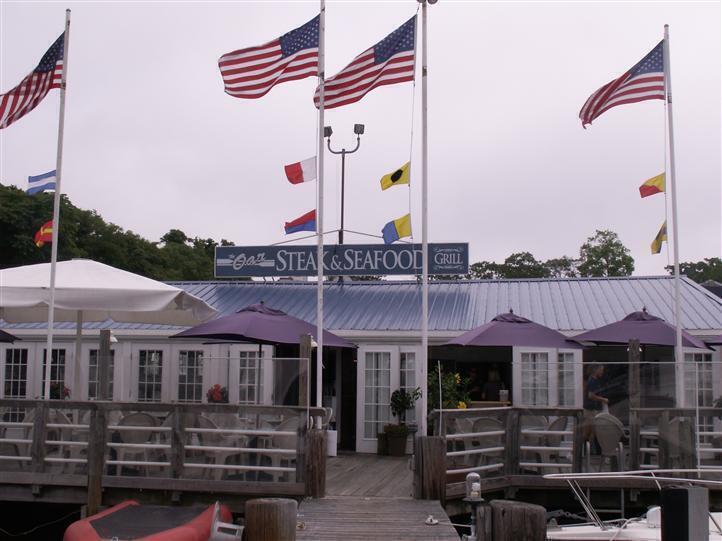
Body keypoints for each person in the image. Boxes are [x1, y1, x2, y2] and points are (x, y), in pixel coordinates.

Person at [583, 363, 608, 442]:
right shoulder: (592, 381)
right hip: (590, 410)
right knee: (588, 431)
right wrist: (603, 399)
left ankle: (590, 447)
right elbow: (590, 395)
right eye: (601, 370)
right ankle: (581, 447)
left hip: (594, 409)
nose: (602, 372)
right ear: (596, 370)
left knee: (593, 432)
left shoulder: (596, 380)